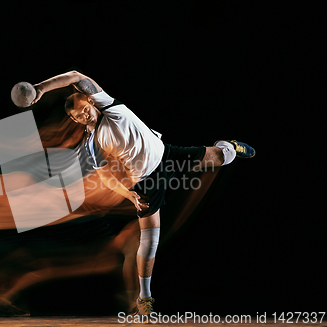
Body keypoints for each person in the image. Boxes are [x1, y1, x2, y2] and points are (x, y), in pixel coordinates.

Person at [30, 70, 255, 315]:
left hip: (168, 155)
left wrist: (41, 88)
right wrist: (128, 194)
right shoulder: (91, 144)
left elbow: (75, 75)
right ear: (74, 121)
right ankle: (144, 299)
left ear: (91, 101)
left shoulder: (110, 106)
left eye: (83, 108)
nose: (83, 115)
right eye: (77, 116)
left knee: (223, 157)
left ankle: (229, 146)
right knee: (149, 240)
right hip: (146, 182)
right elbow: (105, 176)